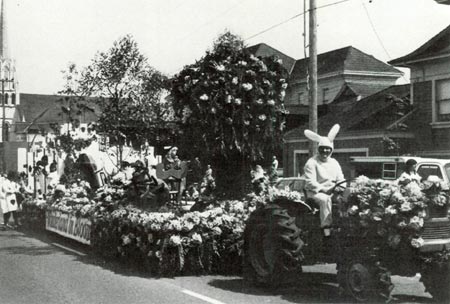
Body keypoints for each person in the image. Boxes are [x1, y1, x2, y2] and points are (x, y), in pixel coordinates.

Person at [303, 124, 344, 237]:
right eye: (322, 149)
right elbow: (310, 182)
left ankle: (345, 225)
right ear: (318, 149)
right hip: (315, 193)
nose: (325, 151)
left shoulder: (334, 162)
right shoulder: (311, 163)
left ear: (331, 149)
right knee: (325, 200)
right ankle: (327, 228)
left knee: (346, 199)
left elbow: (341, 178)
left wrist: (341, 187)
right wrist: (323, 189)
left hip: (333, 191)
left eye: (328, 149)